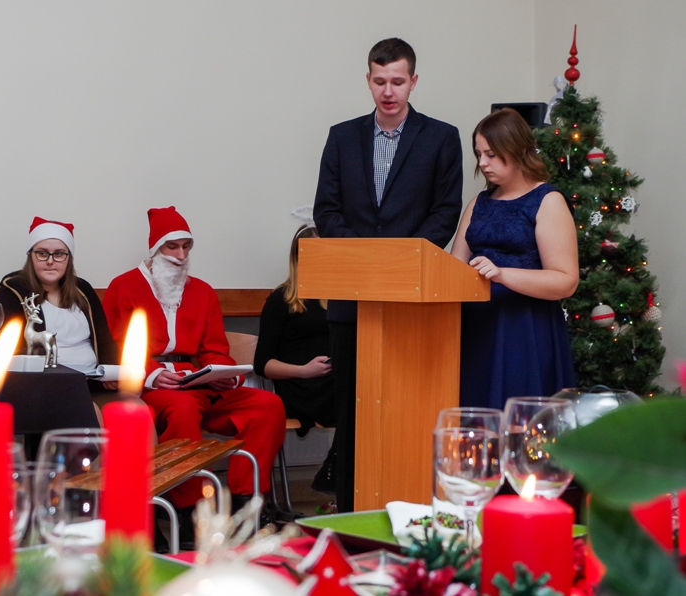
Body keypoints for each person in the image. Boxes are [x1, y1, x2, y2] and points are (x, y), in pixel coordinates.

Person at [312, 38, 463, 512]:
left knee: (405, 413)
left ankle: (410, 507)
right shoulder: (342, 136)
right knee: (352, 415)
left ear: (414, 81)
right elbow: (326, 210)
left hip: (412, 301)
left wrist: (397, 260)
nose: (388, 91)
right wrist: (368, 259)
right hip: (351, 303)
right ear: (368, 80)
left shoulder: (441, 137)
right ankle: (349, 512)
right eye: (380, 81)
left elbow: (445, 213)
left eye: (398, 81)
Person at [103, 206, 286, 545]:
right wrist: (152, 374)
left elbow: (215, 348)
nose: (181, 255)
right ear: (155, 249)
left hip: (199, 383)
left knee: (267, 405)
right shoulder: (123, 287)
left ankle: (247, 502)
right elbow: (116, 345)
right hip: (152, 386)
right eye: (172, 247)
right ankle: (189, 509)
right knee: (182, 409)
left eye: (186, 247)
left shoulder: (202, 291)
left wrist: (223, 373)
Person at [451, 108, 578, 409]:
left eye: (491, 154)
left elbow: (565, 281)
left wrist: (502, 274)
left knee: (520, 419)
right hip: (477, 328)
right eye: (479, 154)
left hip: (525, 331)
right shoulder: (478, 203)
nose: (483, 163)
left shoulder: (547, 201)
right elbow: (454, 269)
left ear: (519, 150)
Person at [0, 217, 120, 393]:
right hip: (41, 387)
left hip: (93, 383)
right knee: (87, 408)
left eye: (59, 254)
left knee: (136, 406)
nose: (50, 261)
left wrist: (114, 373)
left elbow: (104, 340)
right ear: (31, 256)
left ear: (69, 258)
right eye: (42, 253)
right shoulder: (12, 294)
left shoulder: (83, 290)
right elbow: (7, 350)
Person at [253, 224, 336, 495]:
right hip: (299, 385)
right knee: (356, 401)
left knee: (366, 396)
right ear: (298, 257)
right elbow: (262, 364)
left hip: (331, 382)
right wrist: (304, 371)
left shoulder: (339, 298)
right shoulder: (282, 299)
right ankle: (335, 475)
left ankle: (339, 475)